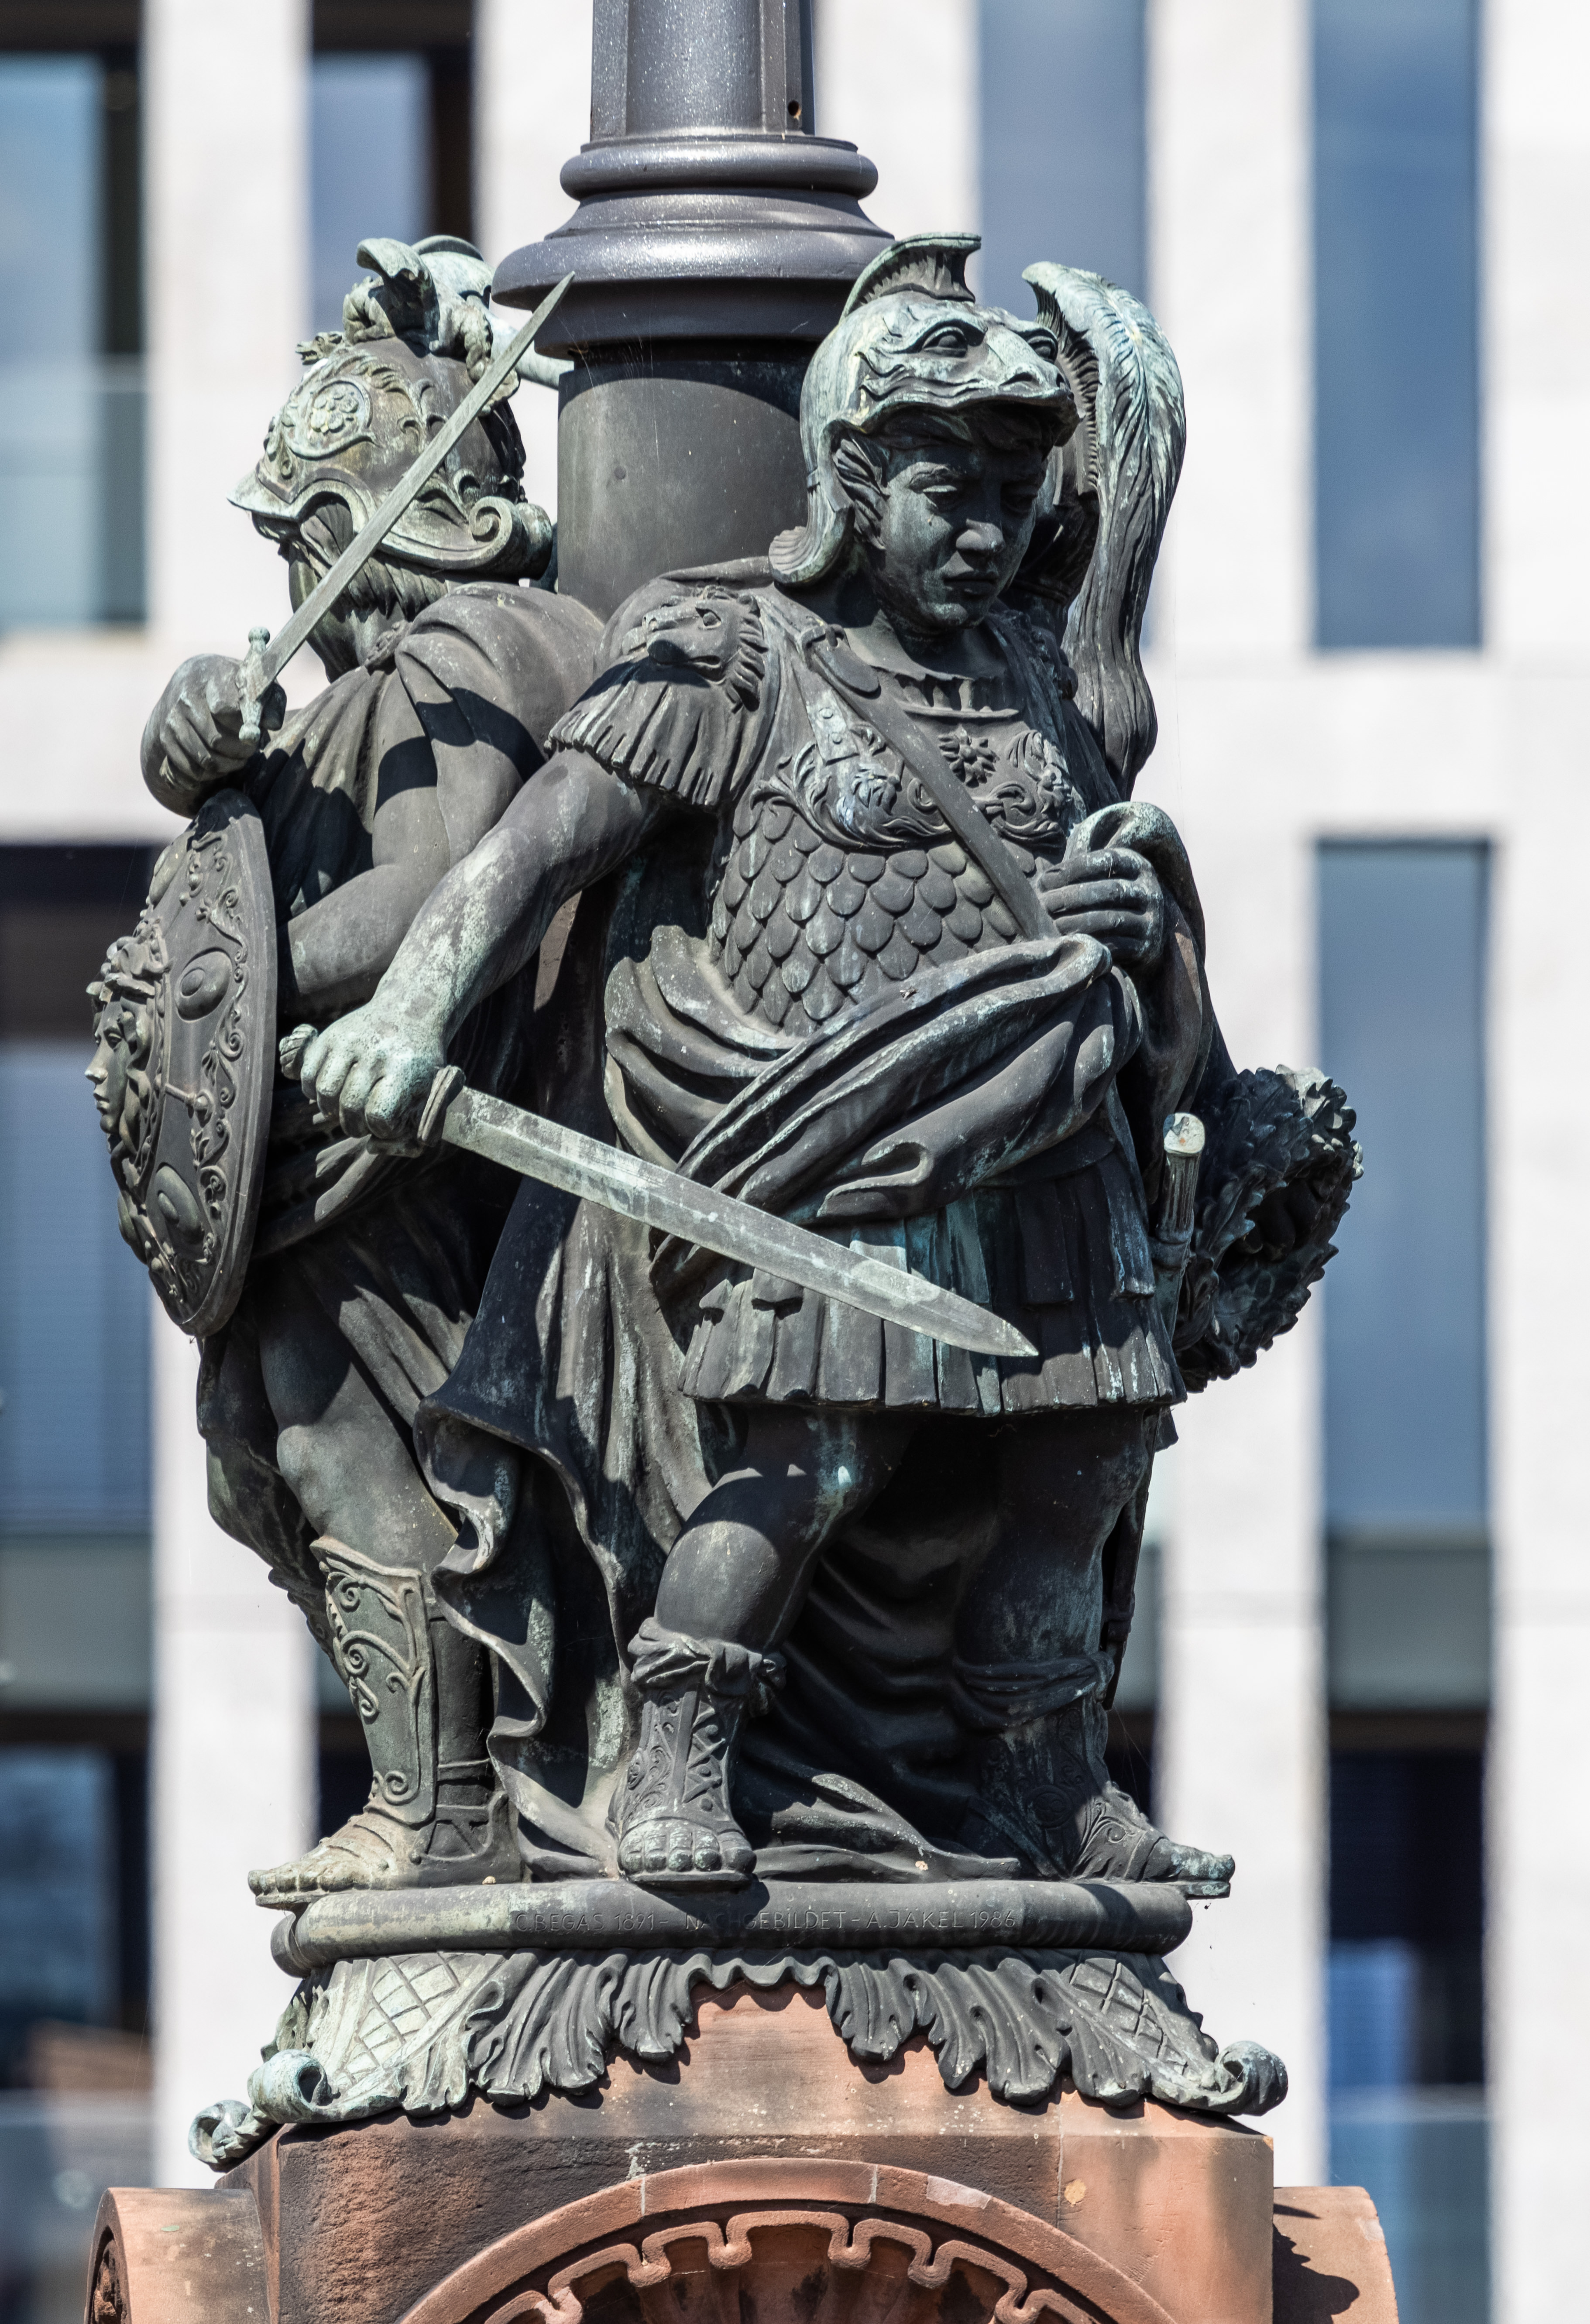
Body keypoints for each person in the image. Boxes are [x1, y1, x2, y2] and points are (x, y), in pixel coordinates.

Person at [292, 237, 1345, 1895]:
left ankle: (1048, 1779)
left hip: (1042, 1143)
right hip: (817, 1155)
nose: (986, 529)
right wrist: (407, 1016)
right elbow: (534, 854)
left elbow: (1107, 868)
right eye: (947, 491)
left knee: (1074, 1471)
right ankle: (676, 1748)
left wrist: (1131, 915)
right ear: (851, 481)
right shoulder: (728, 651)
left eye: (1012, 493)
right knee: (804, 1464)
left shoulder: (1038, 677)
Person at [138, 235, 600, 1901]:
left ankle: (439, 1803)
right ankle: (428, 1791)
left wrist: (228, 992)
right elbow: (236, 855)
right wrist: (193, 748)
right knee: (288, 1438)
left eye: (302, 547)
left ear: (364, 528)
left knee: (344, 1440)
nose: (291, 594)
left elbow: (434, 888)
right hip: (327, 1138)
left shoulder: (468, 651)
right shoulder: (362, 694)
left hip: (410, 1139)